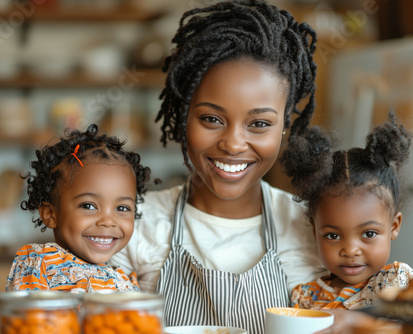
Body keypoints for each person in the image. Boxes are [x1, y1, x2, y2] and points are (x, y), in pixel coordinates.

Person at [109, 1, 326, 333]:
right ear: (184, 117)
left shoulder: (309, 226)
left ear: (284, 127)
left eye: (259, 124)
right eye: (211, 119)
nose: (233, 144)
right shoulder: (133, 224)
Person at [282, 111, 413, 312]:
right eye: (332, 235)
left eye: (369, 234)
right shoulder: (305, 298)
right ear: (314, 231)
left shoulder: (400, 283)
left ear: (394, 226)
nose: (350, 250)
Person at [6, 124, 151, 293]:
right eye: (88, 206)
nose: (108, 221)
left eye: (122, 208)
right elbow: (27, 317)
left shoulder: (123, 280)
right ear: (50, 214)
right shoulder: (39, 264)